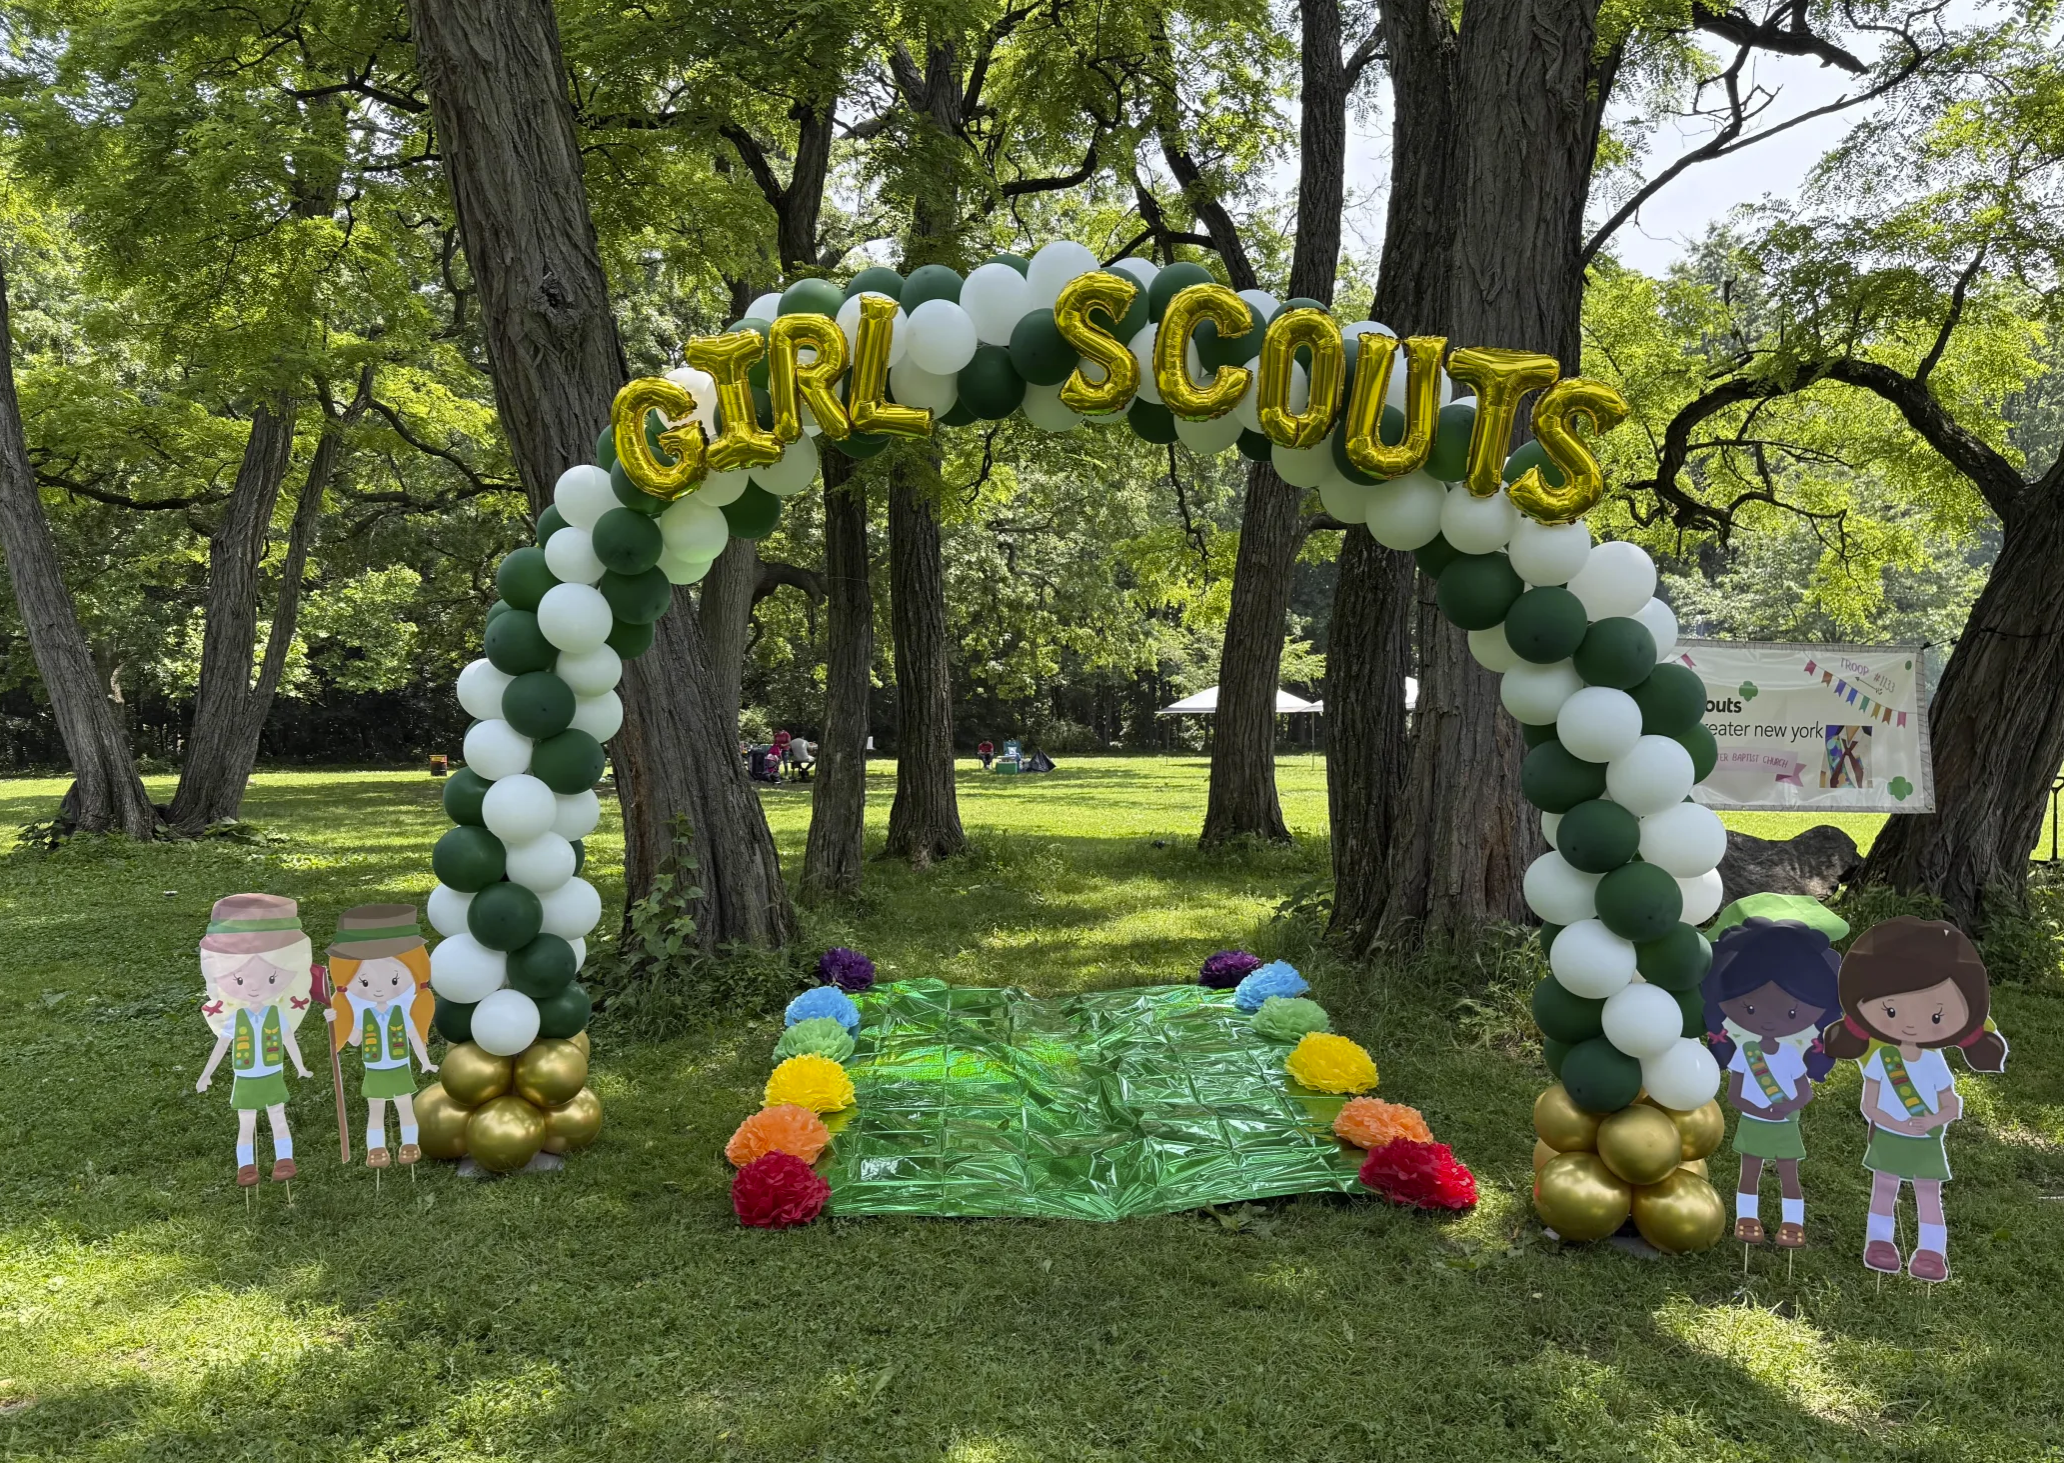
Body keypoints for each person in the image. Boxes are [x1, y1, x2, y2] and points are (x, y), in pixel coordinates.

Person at [1820, 917, 2009, 1282]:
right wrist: (1891, 1123)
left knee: (1928, 1193)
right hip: (1891, 1135)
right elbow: (1869, 1104)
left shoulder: (1936, 1063)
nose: (1908, 1024)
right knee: (1885, 1187)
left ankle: (1931, 1253)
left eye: (1937, 1015)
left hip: (1924, 1139)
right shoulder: (1881, 1058)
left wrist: (1933, 1121)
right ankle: (1880, 1244)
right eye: (1890, 1011)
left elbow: (1951, 1104)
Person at [1702, 916, 1842, 1248]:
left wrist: (1785, 1107)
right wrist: (1757, 1109)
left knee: (1788, 1175)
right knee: (1748, 1173)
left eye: (1791, 1013)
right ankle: (1747, 1218)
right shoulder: (1744, 1052)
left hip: (1784, 1123)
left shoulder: (1793, 1055)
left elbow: (1804, 1091)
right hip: (1753, 1121)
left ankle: (1792, 1224)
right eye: (1748, 1007)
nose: (1767, 1019)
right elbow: (1735, 1093)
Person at [195, 894, 315, 1186]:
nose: (254, 987)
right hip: (246, 1077)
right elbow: (222, 1047)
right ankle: (246, 1166)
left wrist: (300, 1067)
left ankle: (284, 1160)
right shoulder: (235, 1020)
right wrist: (206, 1075)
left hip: (272, 1074)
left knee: (278, 1117)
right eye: (239, 980)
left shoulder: (277, 1015)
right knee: (246, 1122)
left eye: (271, 978)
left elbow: (289, 1041)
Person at [323, 905, 438, 1168]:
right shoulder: (365, 1016)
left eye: (395, 978)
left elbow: (413, 1036)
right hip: (375, 1069)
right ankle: (376, 1149)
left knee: (404, 1106)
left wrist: (425, 1061)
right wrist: (336, 1021)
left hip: (399, 1067)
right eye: (363, 982)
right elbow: (354, 1039)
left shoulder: (402, 1013)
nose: (378, 989)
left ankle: (409, 1144)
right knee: (376, 1109)